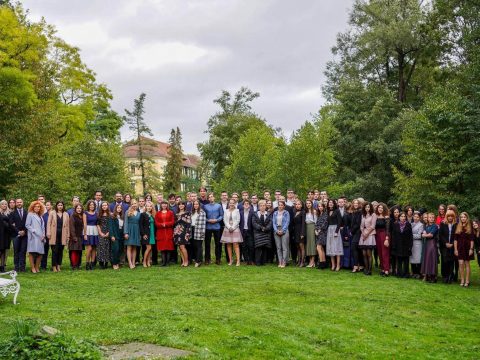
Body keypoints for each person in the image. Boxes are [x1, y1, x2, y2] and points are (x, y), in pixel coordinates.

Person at [46, 201, 70, 272]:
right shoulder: (52, 213)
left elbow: (68, 226)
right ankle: (54, 266)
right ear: (56, 206)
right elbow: (48, 223)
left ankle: (58, 266)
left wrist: (68, 236)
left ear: (63, 206)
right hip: (54, 235)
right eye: (59, 205)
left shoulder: (66, 214)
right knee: (54, 251)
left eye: (61, 205)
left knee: (60, 251)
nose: (60, 206)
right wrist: (48, 233)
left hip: (62, 235)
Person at [454, 212, 475, 287]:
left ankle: (467, 280)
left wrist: (471, 249)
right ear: (460, 218)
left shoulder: (470, 226)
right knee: (460, 263)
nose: (463, 218)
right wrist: (455, 249)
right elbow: (455, 239)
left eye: (464, 217)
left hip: (467, 248)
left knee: (467, 264)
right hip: (459, 247)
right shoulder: (458, 225)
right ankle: (462, 280)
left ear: (467, 218)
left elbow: (472, 239)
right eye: (462, 217)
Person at [221, 199, 243, 266]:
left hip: (235, 228)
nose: (231, 204)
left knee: (235, 244)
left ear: (234, 204)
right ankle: (230, 260)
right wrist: (228, 227)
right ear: (229, 204)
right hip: (227, 228)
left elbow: (238, 220)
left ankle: (238, 261)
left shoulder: (237, 211)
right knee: (228, 244)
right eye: (230, 203)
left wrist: (233, 227)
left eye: (233, 203)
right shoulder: (226, 211)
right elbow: (224, 220)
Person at [25, 200, 46, 273]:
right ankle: (33, 268)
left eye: (39, 207)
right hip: (33, 236)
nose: (37, 208)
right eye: (36, 207)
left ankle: (37, 267)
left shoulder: (40, 216)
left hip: (41, 237)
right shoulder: (30, 214)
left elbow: (43, 227)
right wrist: (34, 231)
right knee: (32, 252)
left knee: (40, 253)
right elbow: (27, 225)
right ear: (32, 207)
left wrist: (43, 234)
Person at [391, 212, 413, 278]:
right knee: (399, 260)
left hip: (406, 245)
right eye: (401, 216)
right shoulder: (395, 225)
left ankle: (406, 274)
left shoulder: (408, 225)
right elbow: (393, 236)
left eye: (404, 216)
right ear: (399, 217)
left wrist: (410, 246)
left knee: (406, 260)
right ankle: (399, 273)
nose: (403, 218)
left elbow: (410, 236)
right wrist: (394, 245)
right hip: (398, 245)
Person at [204, 193, 223, 265]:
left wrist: (216, 220)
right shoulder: (205, 206)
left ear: (214, 197)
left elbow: (221, 215)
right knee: (207, 244)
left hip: (217, 227)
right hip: (208, 227)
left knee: (218, 244)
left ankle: (218, 259)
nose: (211, 198)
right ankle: (207, 259)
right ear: (208, 199)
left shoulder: (218, 206)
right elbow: (203, 216)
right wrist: (208, 220)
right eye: (209, 197)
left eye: (212, 196)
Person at [252, 200, 272, 266]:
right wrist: (261, 228)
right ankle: (257, 262)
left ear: (265, 206)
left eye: (264, 205)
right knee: (258, 247)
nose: (262, 207)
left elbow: (270, 223)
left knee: (264, 247)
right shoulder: (255, 214)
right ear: (259, 206)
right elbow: (254, 223)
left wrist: (266, 228)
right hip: (257, 233)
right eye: (261, 205)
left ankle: (263, 262)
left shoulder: (268, 214)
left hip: (266, 233)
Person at [439, 210, 457, 284]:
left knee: (451, 261)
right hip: (444, 246)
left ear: (453, 217)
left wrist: (452, 243)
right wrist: (445, 243)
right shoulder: (443, 223)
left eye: (451, 216)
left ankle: (450, 276)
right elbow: (441, 235)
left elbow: (456, 236)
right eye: (448, 216)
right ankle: (445, 276)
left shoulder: (456, 224)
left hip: (453, 245)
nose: (450, 217)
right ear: (446, 216)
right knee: (445, 261)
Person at [155, 201, 175, 266]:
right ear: (161, 205)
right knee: (162, 247)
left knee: (168, 247)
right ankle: (163, 262)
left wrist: (165, 224)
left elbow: (172, 222)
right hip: (160, 232)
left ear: (167, 205)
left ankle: (168, 262)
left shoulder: (170, 212)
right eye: (163, 204)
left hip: (169, 231)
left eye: (165, 204)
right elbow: (156, 223)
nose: (164, 205)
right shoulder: (158, 213)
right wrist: (162, 225)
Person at [359, 202, 377, 276]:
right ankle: (366, 269)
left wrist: (367, 234)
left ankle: (370, 270)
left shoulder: (373, 215)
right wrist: (363, 233)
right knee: (364, 253)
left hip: (370, 234)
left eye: (368, 207)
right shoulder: (363, 215)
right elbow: (361, 226)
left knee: (369, 253)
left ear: (371, 208)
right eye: (366, 207)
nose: (367, 208)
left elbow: (373, 226)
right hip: (363, 235)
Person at [421, 213, 439, 283]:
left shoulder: (435, 226)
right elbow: (424, 233)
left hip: (432, 244)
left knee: (432, 259)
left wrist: (425, 235)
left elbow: (431, 235)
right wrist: (425, 234)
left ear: (434, 218)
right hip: (427, 244)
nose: (431, 219)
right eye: (430, 217)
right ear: (427, 218)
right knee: (426, 259)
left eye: (432, 217)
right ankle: (426, 275)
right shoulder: (426, 226)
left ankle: (433, 276)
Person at [326, 199, 343, 271]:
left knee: (337, 248)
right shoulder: (327, 211)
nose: (330, 204)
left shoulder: (337, 211)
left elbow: (339, 222)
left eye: (331, 203)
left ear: (334, 204)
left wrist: (336, 231)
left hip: (335, 229)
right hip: (329, 230)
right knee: (330, 248)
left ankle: (338, 265)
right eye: (329, 202)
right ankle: (333, 265)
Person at [124, 199, 141, 269]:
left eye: (135, 203)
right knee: (129, 247)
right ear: (131, 205)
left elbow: (140, 224)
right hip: (129, 230)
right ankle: (130, 263)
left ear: (137, 205)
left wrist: (140, 234)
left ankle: (133, 263)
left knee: (135, 248)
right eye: (133, 204)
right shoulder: (127, 212)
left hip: (136, 231)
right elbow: (125, 223)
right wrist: (126, 233)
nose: (134, 205)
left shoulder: (139, 213)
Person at [11, 198, 28, 272]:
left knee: (23, 251)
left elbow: (28, 224)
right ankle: (16, 267)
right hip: (16, 235)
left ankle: (22, 266)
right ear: (16, 203)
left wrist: (24, 231)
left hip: (25, 235)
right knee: (16, 251)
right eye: (17, 202)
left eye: (20, 202)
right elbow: (11, 224)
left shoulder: (26, 212)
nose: (19, 203)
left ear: (22, 203)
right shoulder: (12, 213)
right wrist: (18, 231)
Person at [272, 200, 289, 268]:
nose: (280, 206)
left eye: (282, 205)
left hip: (284, 230)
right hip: (276, 230)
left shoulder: (286, 213)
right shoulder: (275, 213)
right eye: (279, 205)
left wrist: (282, 230)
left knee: (284, 247)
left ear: (284, 206)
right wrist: (276, 230)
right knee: (278, 247)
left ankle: (284, 262)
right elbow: (273, 222)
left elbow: (287, 222)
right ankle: (280, 261)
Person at [375, 203, 390, 276]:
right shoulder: (376, 216)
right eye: (379, 208)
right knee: (380, 253)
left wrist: (387, 238)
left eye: (381, 208)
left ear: (384, 209)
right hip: (377, 235)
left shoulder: (386, 217)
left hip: (384, 235)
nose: (380, 209)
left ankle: (386, 270)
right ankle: (382, 269)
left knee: (385, 253)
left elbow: (387, 229)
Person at [173, 201, 191, 267]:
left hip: (183, 232)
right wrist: (174, 233)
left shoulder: (187, 213)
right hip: (176, 232)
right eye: (179, 204)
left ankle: (186, 261)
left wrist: (188, 233)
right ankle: (183, 262)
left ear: (184, 206)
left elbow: (189, 224)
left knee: (182, 247)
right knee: (179, 248)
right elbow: (174, 224)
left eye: (182, 204)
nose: (181, 205)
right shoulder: (176, 214)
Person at [83, 200, 99, 270]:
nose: (92, 206)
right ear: (88, 206)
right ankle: (87, 263)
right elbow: (84, 223)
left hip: (95, 231)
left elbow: (98, 223)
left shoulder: (96, 213)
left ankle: (92, 264)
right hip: (88, 231)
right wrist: (85, 234)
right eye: (90, 205)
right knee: (89, 248)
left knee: (94, 248)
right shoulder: (85, 213)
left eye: (93, 205)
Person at [109, 203, 124, 270]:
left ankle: (117, 262)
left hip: (121, 235)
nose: (119, 209)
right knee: (115, 249)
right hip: (115, 235)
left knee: (120, 250)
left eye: (120, 208)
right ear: (115, 208)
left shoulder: (122, 217)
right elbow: (111, 227)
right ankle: (114, 264)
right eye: (118, 208)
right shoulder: (112, 216)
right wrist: (112, 235)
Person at [140, 202, 156, 267]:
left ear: (152, 207)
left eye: (150, 206)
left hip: (152, 233)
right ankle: (144, 262)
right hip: (146, 234)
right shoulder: (143, 214)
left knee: (150, 248)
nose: (149, 207)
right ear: (145, 207)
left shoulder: (152, 215)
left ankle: (148, 262)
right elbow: (141, 225)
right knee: (148, 248)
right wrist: (143, 234)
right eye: (148, 206)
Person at [191, 200, 206, 267]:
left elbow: (203, 224)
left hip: (199, 230)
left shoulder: (202, 212)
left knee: (199, 246)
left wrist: (202, 233)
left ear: (199, 205)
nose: (195, 205)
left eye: (197, 204)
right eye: (194, 204)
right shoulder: (192, 212)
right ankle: (196, 259)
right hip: (192, 229)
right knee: (194, 246)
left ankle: (198, 261)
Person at [68, 204, 84, 270]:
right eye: (78, 208)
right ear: (75, 209)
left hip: (80, 236)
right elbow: (71, 227)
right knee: (74, 251)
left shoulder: (82, 216)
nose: (79, 209)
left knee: (79, 251)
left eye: (80, 208)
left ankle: (78, 265)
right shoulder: (73, 216)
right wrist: (74, 237)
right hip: (74, 236)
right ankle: (74, 265)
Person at [96, 201, 111, 269]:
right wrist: (100, 233)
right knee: (101, 247)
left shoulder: (110, 214)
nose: (104, 206)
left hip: (108, 232)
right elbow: (98, 224)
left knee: (107, 248)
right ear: (101, 207)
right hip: (101, 232)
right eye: (103, 205)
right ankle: (101, 263)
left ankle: (106, 263)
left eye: (105, 205)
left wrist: (108, 232)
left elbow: (111, 225)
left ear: (108, 206)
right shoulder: (99, 215)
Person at [239, 199, 254, 265]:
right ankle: (246, 260)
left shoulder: (252, 212)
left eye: (247, 204)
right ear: (243, 205)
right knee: (244, 246)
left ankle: (251, 260)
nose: (246, 205)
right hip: (242, 231)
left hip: (250, 231)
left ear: (250, 205)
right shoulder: (240, 212)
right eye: (245, 204)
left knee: (251, 246)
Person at [410, 211, 424, 279]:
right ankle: (414, 272)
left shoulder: (421, 225)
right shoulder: (411, 224)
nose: (416, 218)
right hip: (411, 243)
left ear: (419, 218)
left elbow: (419, 236)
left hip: (418, 243)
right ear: (413, 217)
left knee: (418, 259)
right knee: (412, 258)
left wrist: (410, 235)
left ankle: (419, 273)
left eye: (417, 217)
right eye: (414, 216)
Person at [350, 199, 363, 273]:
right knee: (358, 249)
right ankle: (360, 265)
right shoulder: (354, 212)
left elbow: (358, 224)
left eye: (357, 203)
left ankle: (355, 266)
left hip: (358, 232)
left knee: (354, 248)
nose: (355, 204)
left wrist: (352, 231)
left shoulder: (359, 212)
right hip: (355, 232)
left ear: (359, 204)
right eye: (354, 203)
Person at [0, 200, 13, 272]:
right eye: (2, 204)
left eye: (5, 204)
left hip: (6, 235)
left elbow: (10, 224)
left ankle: (2, 266)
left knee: (4, 250)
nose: (4, 205)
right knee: (0, 250)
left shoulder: (9, 213)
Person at [292, 200, 306, 267]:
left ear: (301, 205)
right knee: (297, 247)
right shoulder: (294, 212)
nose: (297, 205)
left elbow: (303, 223)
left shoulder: (303, 212)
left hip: (301, 231)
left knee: (302, 247)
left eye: (299, 204)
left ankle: (302, 262)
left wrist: (302, 233)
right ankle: (299, 261)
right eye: (296, 204)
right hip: (295, 231)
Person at [315, 202, 328, 269]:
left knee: (318, 247)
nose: (320, 207)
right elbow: (316, 224)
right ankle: (323, 262)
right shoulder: (319, 214)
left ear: (324, 207)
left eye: (321, 206)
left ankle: (321, 263)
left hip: (323, 232)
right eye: (319, 206)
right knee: (321, 248)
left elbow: (325, 223)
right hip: (318, 232)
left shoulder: (325, 214)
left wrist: (319, 230)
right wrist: (316, 230)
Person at [304, 200, 317, 268]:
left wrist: (315, 230)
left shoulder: (314, 211)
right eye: (307, 203)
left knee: (312, 244)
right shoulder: (305, 212)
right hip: (307, 227)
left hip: (312, 227)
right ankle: (311, 261)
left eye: (309, 203)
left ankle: (312, 261)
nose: (308, 204)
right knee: (308, 244)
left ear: (312, 204)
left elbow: (316, 222)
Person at [40, 201, 52, 270]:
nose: (47, 206)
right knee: (45, 251)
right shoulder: (43, 215)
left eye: (48, 205)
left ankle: (54, 265)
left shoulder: (54, 214)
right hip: (46, 235)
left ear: (51, 206)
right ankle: (43, 265)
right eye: (46, 205)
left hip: (53, 235)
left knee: (54, 251)